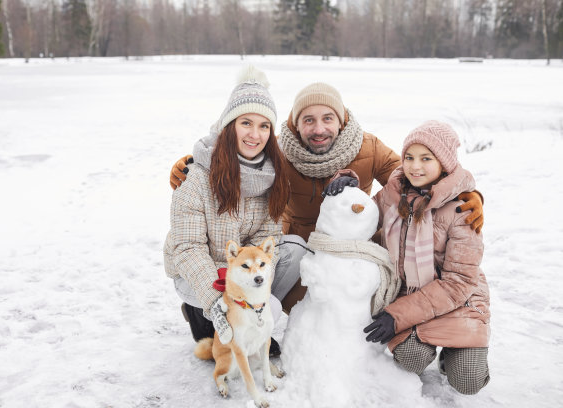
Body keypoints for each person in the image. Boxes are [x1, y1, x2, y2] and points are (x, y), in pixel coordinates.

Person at [170, 83, 484, 311]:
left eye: (327, 118)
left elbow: (418, 175)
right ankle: (207, 315)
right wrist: (191, 164)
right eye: (308, 120)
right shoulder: (278, 151)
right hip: (299, 254)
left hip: (353, 253)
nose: (319, 128)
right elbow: (236, 154)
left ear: (342, 120)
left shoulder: (368, 147)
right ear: (295, 124)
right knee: (293, 312)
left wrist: (468, 192)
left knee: (354, 309)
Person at [163, 66, 305, 356]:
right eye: (246, 123)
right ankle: (206, 316)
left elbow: (268, 239)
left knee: (294, 251)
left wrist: (248, 283)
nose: (255, 134)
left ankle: (252, 327)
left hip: (243, 272)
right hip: (203, 273)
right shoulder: (196, 175)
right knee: (211, 304)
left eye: (264, 126)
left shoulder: (271, 175)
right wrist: (222, 297)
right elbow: (188, 248)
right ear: (230, 125)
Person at [346, 120, 490, 395]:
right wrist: (346, 186)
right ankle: (430, 344)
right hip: (412, 295)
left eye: (426, 158)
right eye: (409, 157)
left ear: (444, 163)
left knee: (468, 381)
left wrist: (396, 316)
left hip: (459, 301)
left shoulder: (464, 210)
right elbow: (361, 214)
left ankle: (455, 353)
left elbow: (458, 283)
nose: (414, 166)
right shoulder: (394, 192)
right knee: (410, 358)